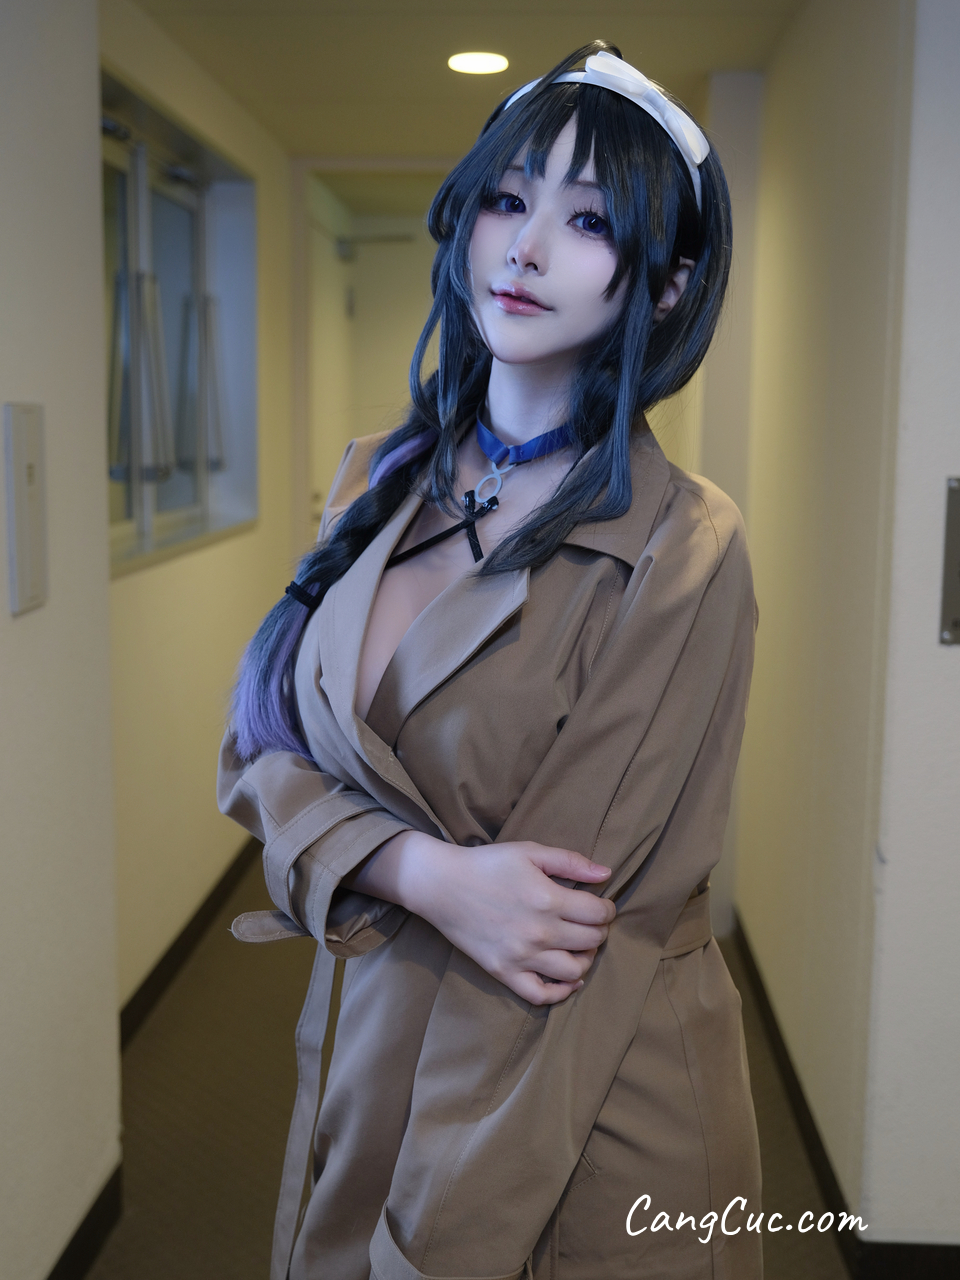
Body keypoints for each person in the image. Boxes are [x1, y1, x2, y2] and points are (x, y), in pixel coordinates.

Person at [219, 41, 761, 1280]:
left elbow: (551, 941)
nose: (526, 247)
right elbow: (258, 750)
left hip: (581, 1108)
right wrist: (420, 868)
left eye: (589, 221)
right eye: (509, 201)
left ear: (666, 287)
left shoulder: (683, 545)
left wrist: (428, 1247)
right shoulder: (378, 475)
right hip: (375, 1040)